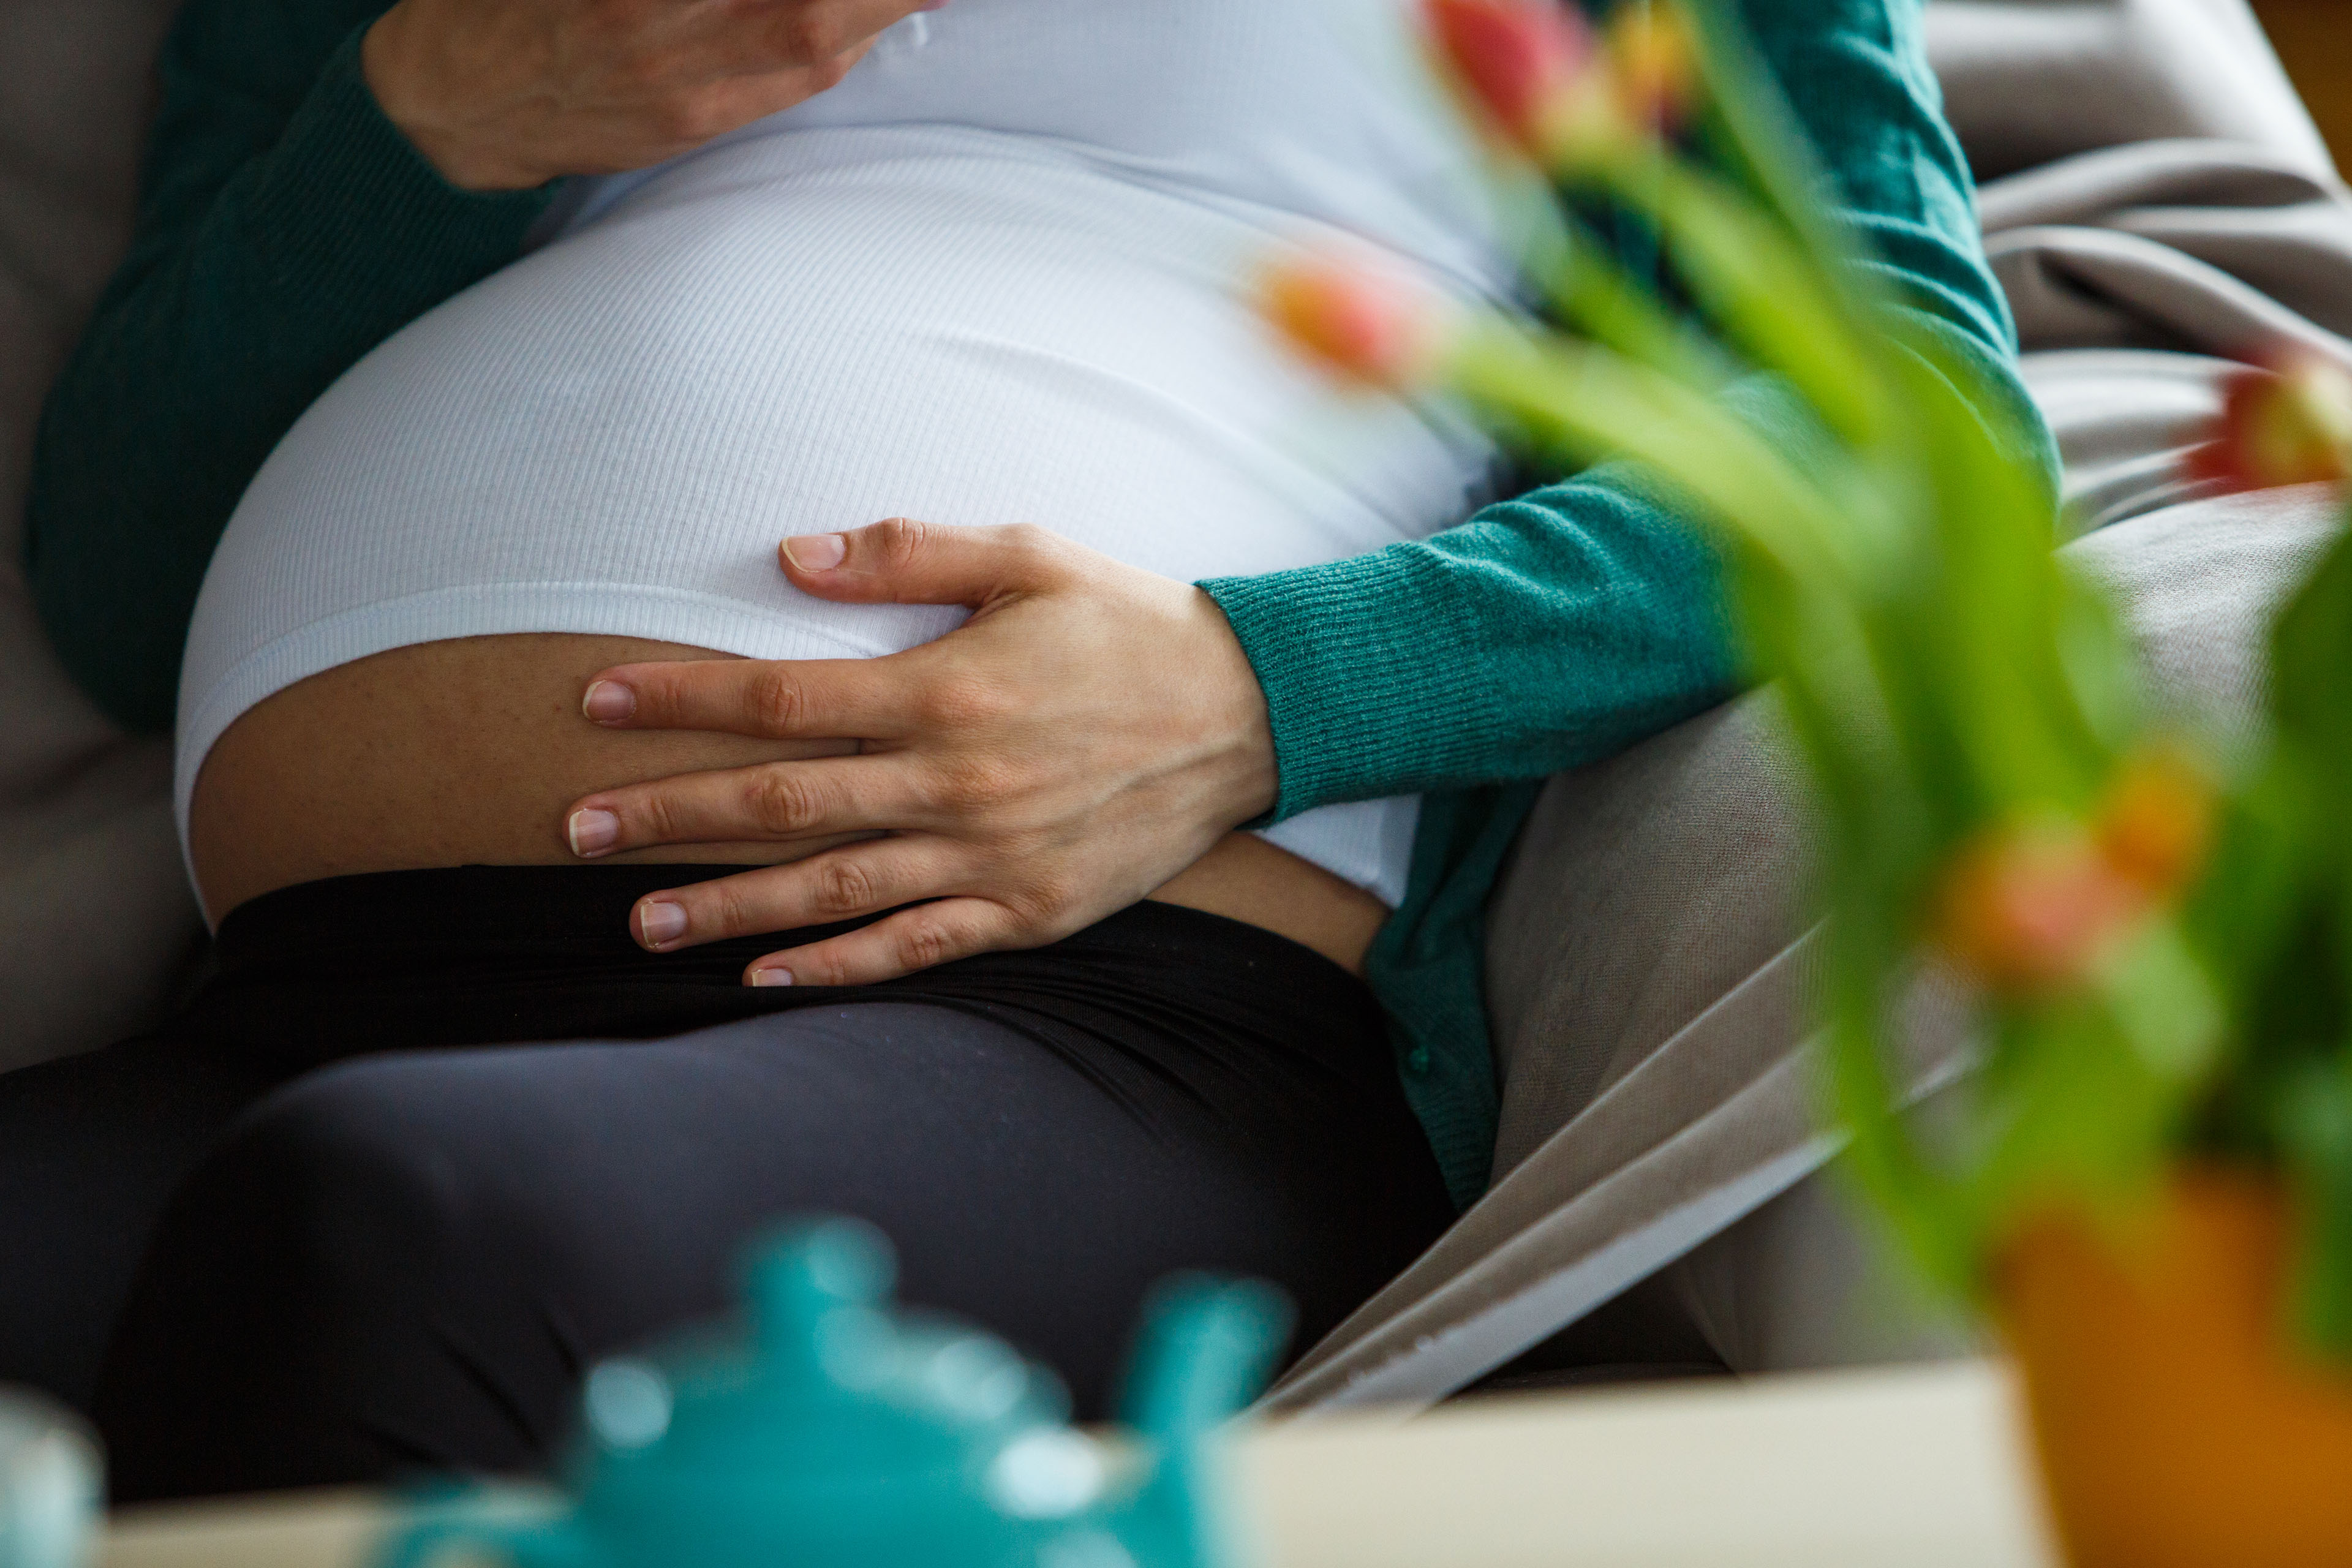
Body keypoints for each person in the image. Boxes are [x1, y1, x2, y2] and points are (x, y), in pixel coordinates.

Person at [3, 0, 2049, 1502]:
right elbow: (116, 577)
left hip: (1071, 1018)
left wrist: (1265, 691)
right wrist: (421, 113)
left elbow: (1920, 443)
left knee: (394, 1237)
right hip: (300, 1008)